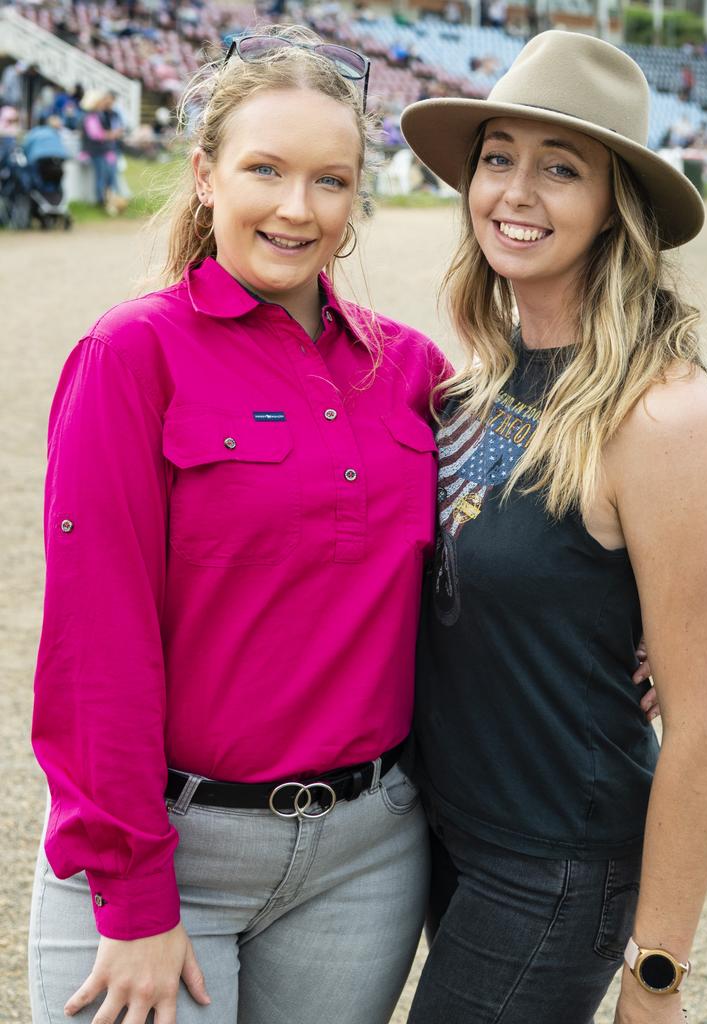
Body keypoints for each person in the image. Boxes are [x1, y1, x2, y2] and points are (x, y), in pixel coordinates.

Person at [28, 25, 444, 1024]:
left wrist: (628, 626)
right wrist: (131, 897)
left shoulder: (414, 370)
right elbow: (97, 643)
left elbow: (518, 538)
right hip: (169, 852)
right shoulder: (131, 356)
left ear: (357, 197)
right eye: (266, 168)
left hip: (366, 858)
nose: (298, 209)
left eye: (331, 180)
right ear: (207, 173)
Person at [400, 30, 707, 1024]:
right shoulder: (480, 379)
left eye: (561, 168)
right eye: (498, 156)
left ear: (612, 208)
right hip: (445, 831)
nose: (516, 190)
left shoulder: (660, 412)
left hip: (553, 866)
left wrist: (657, 977)